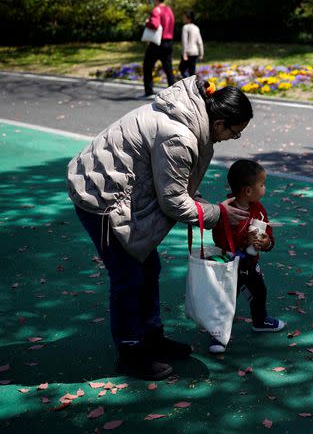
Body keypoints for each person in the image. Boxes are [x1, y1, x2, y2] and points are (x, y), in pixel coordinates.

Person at [67, 76, 254, 380]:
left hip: (121, 188)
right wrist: (218, 214)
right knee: (128, 275)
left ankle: (151, 336)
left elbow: (175, 187)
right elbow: (173, 202)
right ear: (219, 122)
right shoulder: (179, 135)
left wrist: (206, 206)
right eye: (234, 133)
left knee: (148, 267)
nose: (232, 138)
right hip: (98, 194)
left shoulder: (190, 119)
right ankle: (130, 351)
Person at [208, 160, 287, 354]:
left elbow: (268, 235)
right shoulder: (226, 211)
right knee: (226, 299)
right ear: (248, 191)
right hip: (230, 266)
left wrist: (266, 241)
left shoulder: (258, 209)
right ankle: (218, 334)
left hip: (251, 264)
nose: (264, 188)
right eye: (262, 184)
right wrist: (244, 239)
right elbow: (219, 239)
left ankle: (260, 321)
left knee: (259, 292)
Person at [142, 0, 175, 98]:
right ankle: (174, 93)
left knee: (147, 66)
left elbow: (155, 25)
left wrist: (148, 23)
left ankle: (149, 92)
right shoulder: (169, 10)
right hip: (169, 41)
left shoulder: (156, 10)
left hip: (157, 43)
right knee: (168, 68)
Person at [179, 10, 204, 79]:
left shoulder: (185, 27)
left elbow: (184, 41)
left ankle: (189, 84)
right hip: (195, 52)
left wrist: (184, 53)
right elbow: (200, 42)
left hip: (188, 53)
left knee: (182, 69)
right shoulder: (196, 28)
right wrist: (201, 54)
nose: (183, 19)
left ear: (189, 18)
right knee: (192, 72)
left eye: (184, 17)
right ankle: (193, 86)